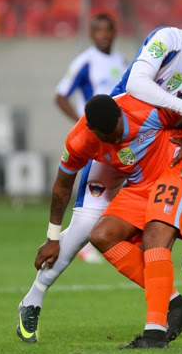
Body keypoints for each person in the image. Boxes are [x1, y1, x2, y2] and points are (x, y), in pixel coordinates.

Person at [17, 1, 182, 343]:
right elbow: (136, 83)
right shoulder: (166, 40)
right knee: (89, 228)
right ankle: (34, 298)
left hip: (156, 143)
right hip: (114, 144)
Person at [34, 93, 182, 348]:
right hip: (143, 185)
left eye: (117, 132)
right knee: (102, 235)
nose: (115, 140)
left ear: (121, 113)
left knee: (161, 238)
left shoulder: (145, 107)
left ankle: (154, 335)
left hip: (180, 169)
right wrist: (53, 237)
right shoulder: (79, 139)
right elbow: (62, 185)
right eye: (106, 137)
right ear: (91, 129)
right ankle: (176, 304)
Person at [54, 13, 127, 262]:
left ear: (114, 32)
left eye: (108, 30)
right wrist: (81, 122)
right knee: (91, 188)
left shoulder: (120, 60)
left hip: (118, 135)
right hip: (95, 137)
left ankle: (97, 239)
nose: (104, 35)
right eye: (99, 31)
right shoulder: (84, 62)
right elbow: (61, 95)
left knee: (116, 188)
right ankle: (82, 245)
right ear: (91, 33)